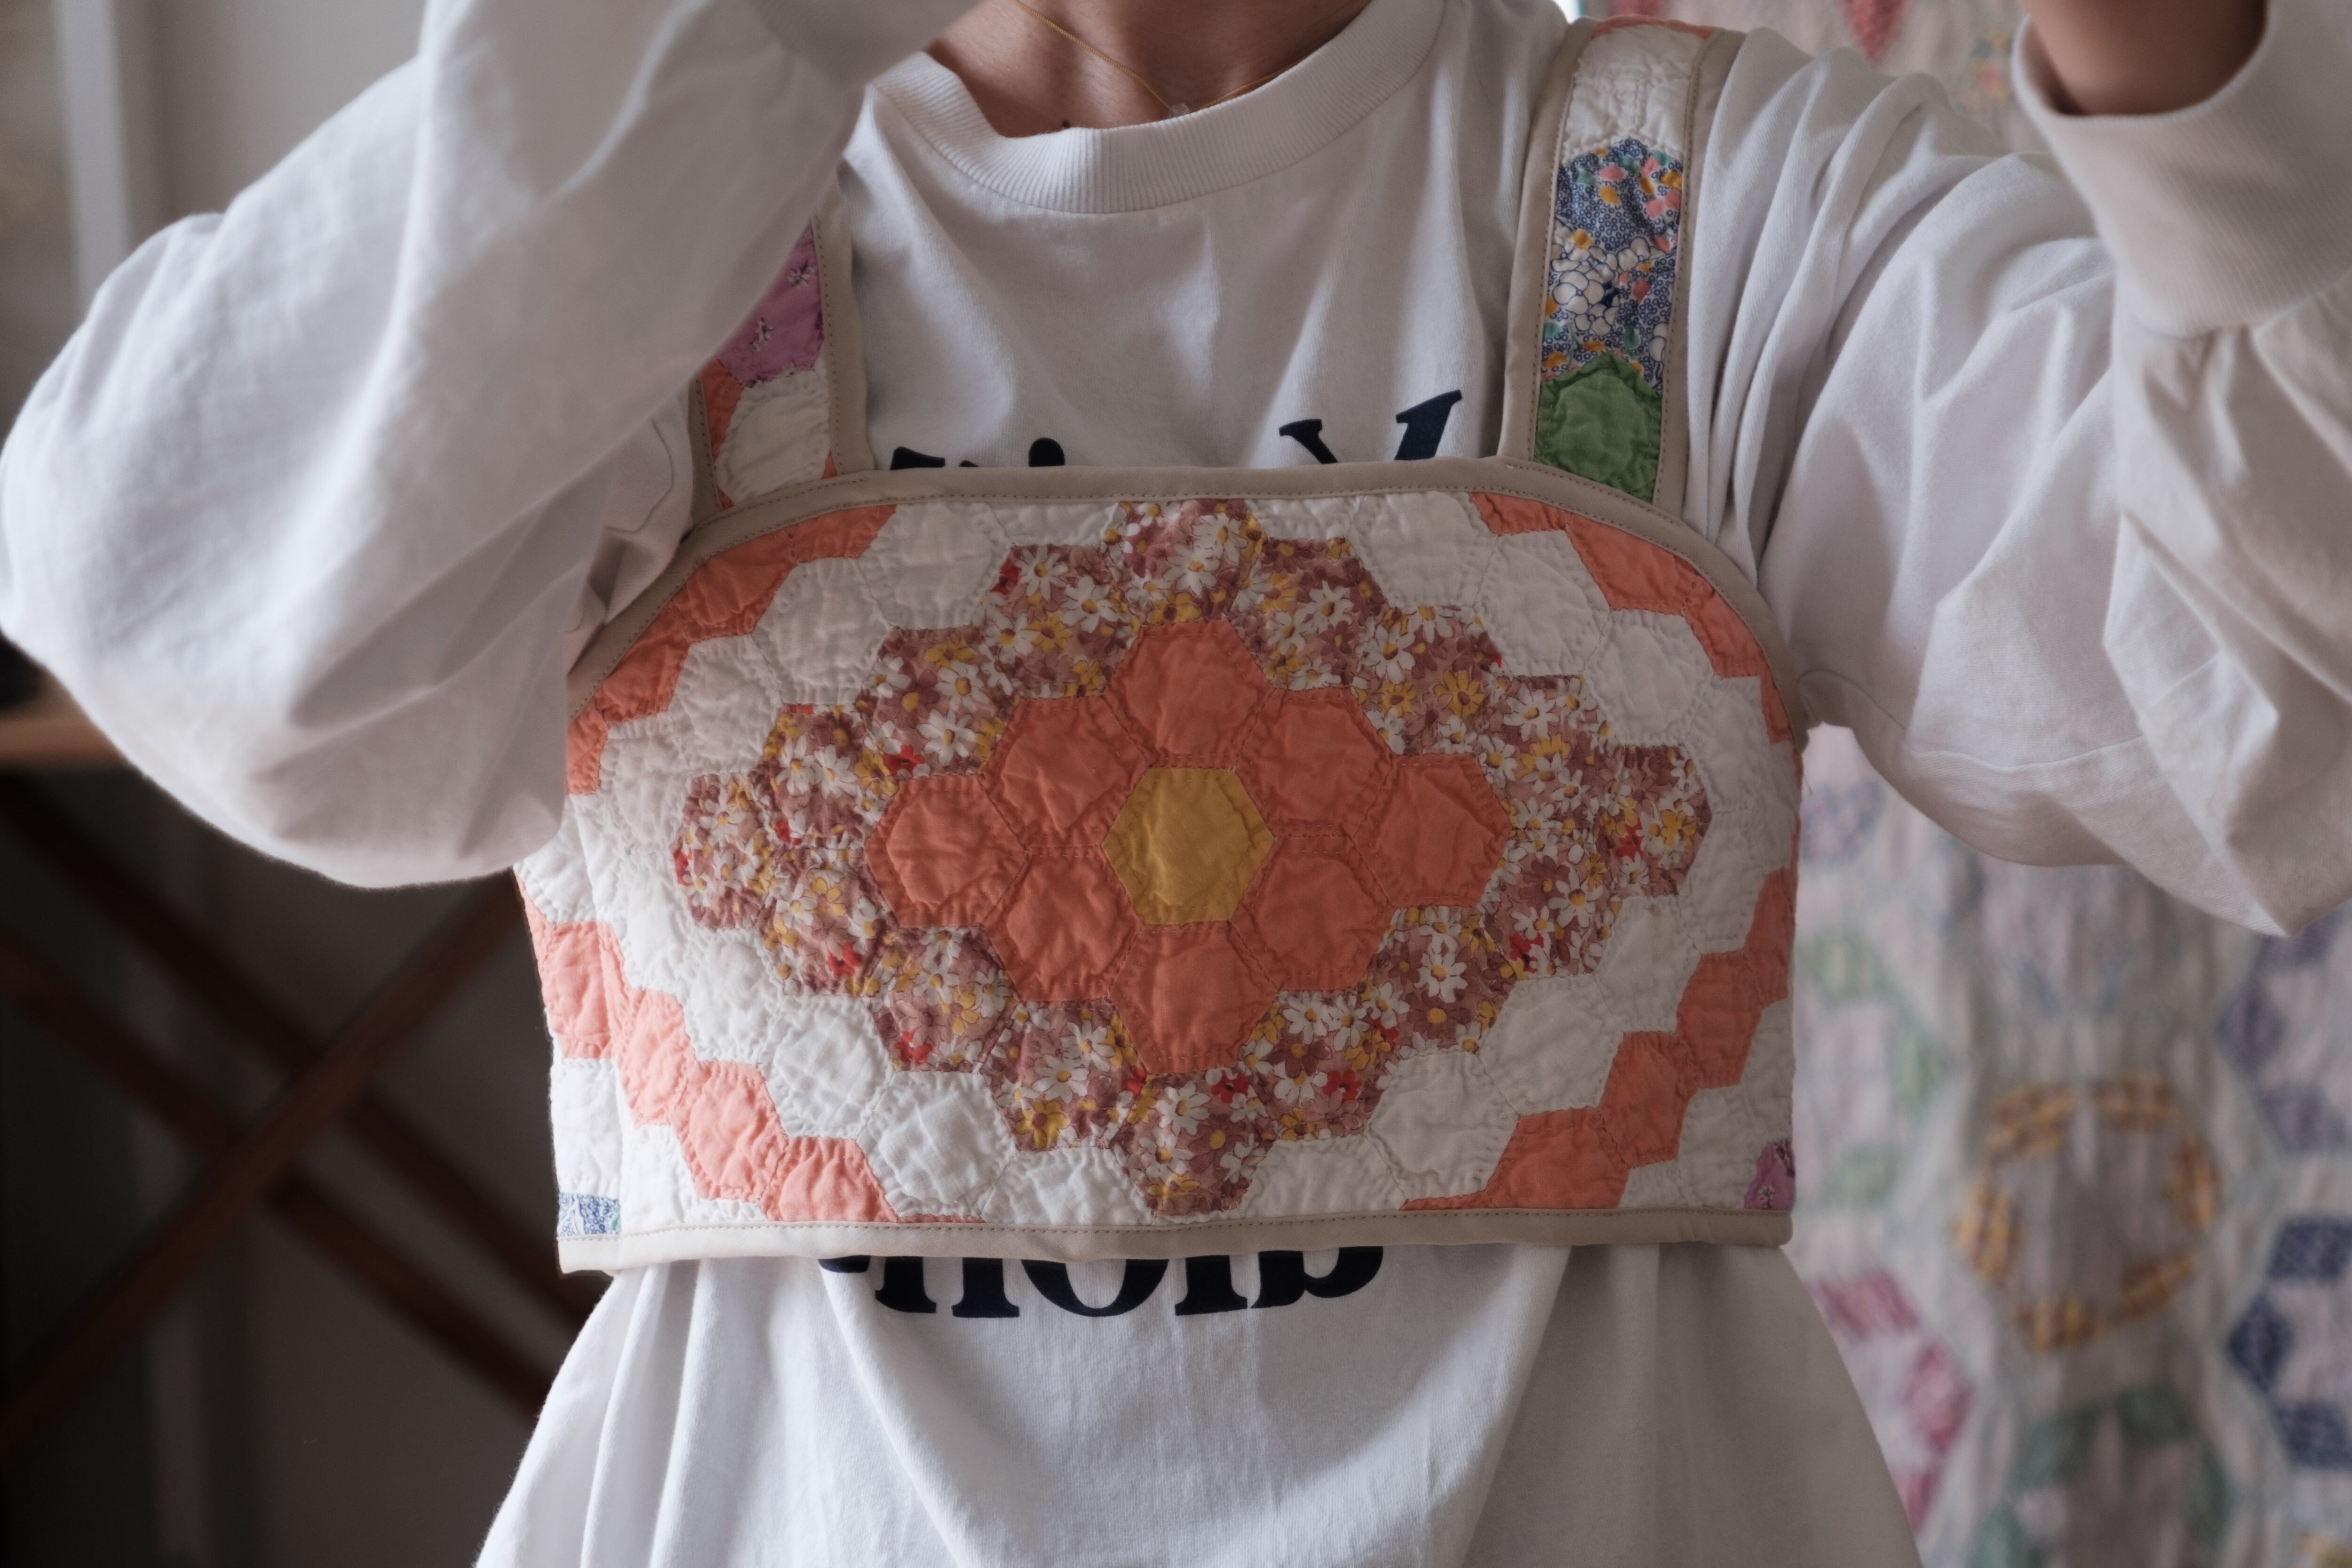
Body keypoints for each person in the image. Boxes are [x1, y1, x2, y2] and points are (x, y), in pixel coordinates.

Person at [2, 0, 2347, 1563]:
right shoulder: (676, 209)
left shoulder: (1697, 215)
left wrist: (2177, 58)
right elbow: (165, 594)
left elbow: (2254, 709)